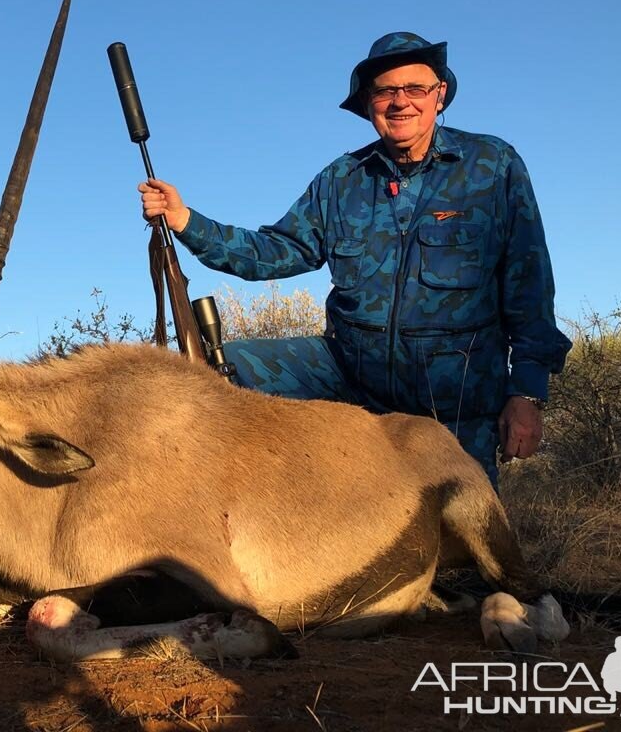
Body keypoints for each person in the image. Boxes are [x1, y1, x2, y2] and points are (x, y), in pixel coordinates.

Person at [139, 32, 571, 485]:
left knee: (463, 543)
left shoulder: (493, 165)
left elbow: (530, 283)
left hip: (454, 400)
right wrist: (185, 218)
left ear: (439, 96)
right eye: (385, 92)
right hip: (348, 380)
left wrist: (526, 392)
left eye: (415, 89)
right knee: (216, 369)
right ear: (369, 104)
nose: (400, 102)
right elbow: (276, 251)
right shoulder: (341, 178)